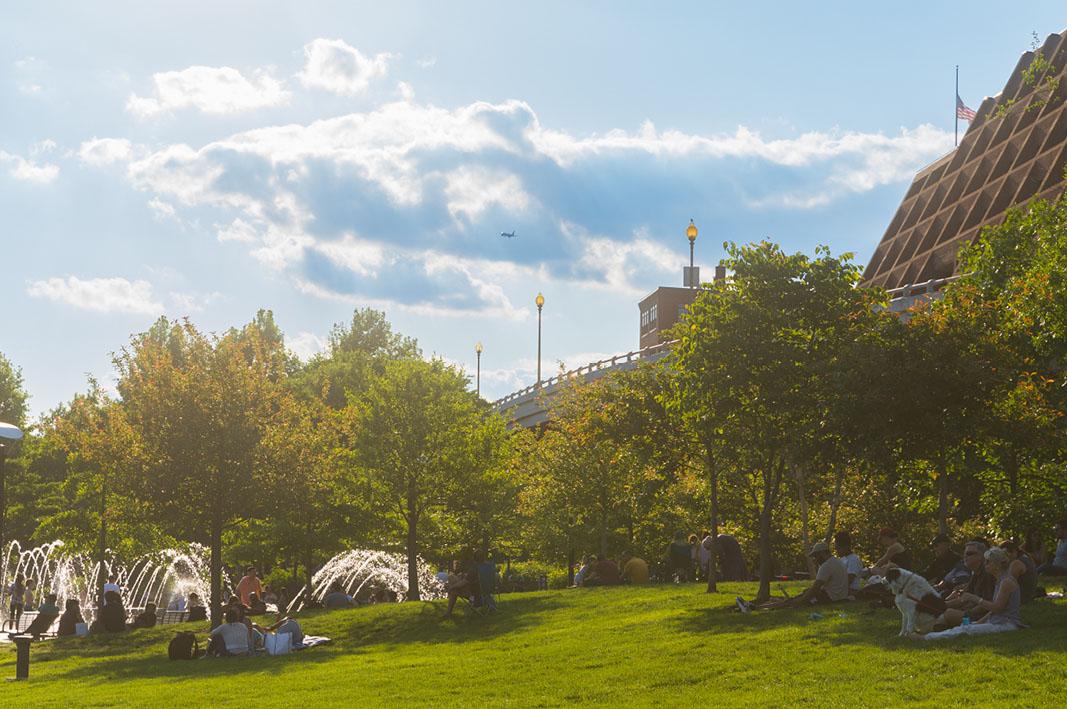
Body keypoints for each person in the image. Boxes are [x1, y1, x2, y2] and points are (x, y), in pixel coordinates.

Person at [914, 547, 1025, 640]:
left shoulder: (1006, 582)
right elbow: (994, 611)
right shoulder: (1000, 580)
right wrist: (978, 623)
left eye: (988, 562)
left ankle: (925, 637)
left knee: (965, 629)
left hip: (1006, 624)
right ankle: (928, 634)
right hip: (999, 621)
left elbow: (997, 608)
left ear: (996, 565)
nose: (985, 564)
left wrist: (975, 599)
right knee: (967, 626)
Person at [739, 541, 849, 611]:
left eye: (816, 556)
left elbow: (815, 588)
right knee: (799, 596)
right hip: (840, 596)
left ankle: (757, 608)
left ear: (822, 553)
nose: (815, 559)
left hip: (831, 599)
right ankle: (757, 607)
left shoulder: (827, 565)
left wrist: (801, 601)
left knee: (791, 602)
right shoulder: (837, 562)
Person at [937, 540, 996, 629]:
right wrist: (941, 604)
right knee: (941, 611)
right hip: (971, 612)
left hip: (982, 617)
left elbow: (988, 604)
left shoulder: (987, 574)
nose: (965, 557)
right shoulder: (975, 573)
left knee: (948, 614)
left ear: (981, 556)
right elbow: (963, 599)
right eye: (964, 554)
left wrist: (969, 612)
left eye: (969, 554)